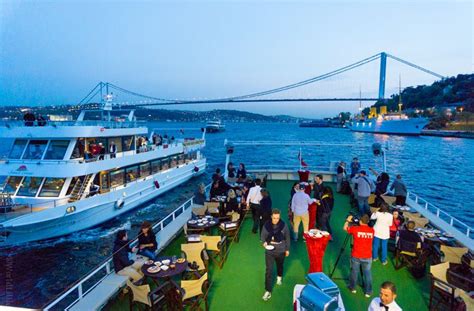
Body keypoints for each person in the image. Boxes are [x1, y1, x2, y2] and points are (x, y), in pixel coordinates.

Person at [260, 209, 290, 301]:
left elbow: (287, 237)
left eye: (278, 218)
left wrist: (287, 249)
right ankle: (268, 290)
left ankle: (279, 276)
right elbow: (263, 237)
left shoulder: (283, 225)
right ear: (271, 217)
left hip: (281, 249)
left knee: (280, 265)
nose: (276, 220)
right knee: (269, 270)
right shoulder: (266, 225)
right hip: (269, 251)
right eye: (274, 218)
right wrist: (264, 243)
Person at [344, 214, 374, 297]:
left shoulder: (355, 229)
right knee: (367, 273)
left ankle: (352, 288)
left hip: (356, 255)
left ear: (360, 221)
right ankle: (368, 292)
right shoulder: (372, 230)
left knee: (354, 272)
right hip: (367, 256)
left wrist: (347, 220)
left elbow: (345, 228)